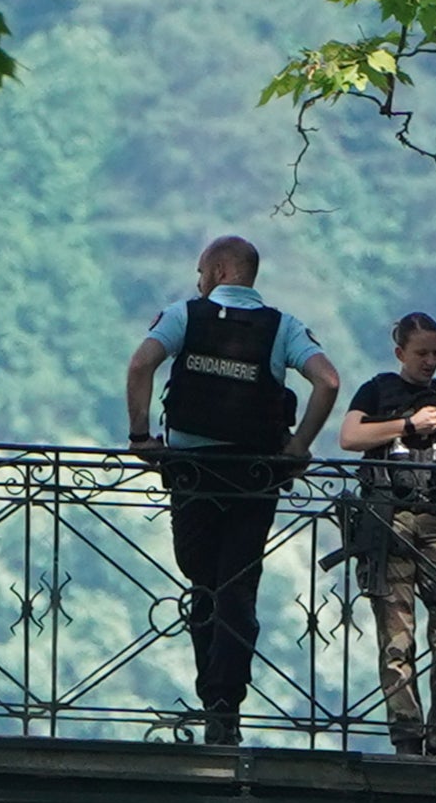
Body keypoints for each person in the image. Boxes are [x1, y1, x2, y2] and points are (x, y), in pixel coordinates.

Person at [125, 236, 340, 747]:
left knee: (203, 582)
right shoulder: (283, 327)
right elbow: (327, 381)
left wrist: (140, 437)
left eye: (201, 271)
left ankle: (213, 697)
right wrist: (298, 448)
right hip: (254, 475)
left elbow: (140, 366)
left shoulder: (184, 315)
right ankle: (226, 708)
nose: (198, 281)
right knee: (237, 588)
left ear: (220, 270)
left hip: (192, 472)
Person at [339, 312, 436, 756]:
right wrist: (409, 426)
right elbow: (349, 437)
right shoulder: (377, 390)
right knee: (396, 637)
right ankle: (406, 736)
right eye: (421, 353)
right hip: (390, 521)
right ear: (400, 353)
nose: (429, 362)